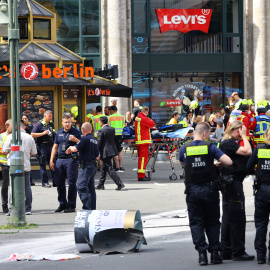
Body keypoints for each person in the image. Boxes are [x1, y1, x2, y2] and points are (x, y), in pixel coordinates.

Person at [179, 122, 232, 266]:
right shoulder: (210, 147)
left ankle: (202, 255)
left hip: (192, 191)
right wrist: (213, 164)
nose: (209, 136)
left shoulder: (184, 148)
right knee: (213, 222)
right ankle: (215, 254)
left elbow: (183, 164)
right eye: (209, 133)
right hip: (210, 190)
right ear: (204, 133)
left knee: (196, 223)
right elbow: (228, 161)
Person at [219, 120, 254, 261]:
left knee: (228, 217)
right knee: (237, 218)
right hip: (233, 183)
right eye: (238, 131)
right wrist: (245, 136)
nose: (240, 133)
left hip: (230, 182)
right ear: (232, 130)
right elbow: (248, 151)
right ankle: (238, 251)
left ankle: (226, 250)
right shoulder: (228, 143)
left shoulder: (227, 143)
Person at [246, 127, 270, 264]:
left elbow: (248, 167)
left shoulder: (259, 149)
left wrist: (258, 172)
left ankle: (261, 256)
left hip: (262, 190)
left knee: (261, 224)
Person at [50, 113, 82, 213]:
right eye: (65, 122)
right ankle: (62, 204)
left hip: (71, 159)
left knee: (72, 182)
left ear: (71, 122)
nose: (67, 124)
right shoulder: (59, 132)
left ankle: (71, 205)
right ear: (62, 122)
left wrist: (75, 139)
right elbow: (55, 147)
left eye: (69, 122)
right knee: (59, 183)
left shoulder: (76, 132)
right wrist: (51, 160)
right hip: (60, 159)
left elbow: (82, 144)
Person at [3, 120, 37, 215]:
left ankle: (11, 208)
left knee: (12, 187)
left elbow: (5, 150)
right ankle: (28, 208)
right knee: (27, 187)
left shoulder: (11, 136)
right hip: (25, 166)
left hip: (13, 165)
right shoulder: (30, 137)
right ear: (24, 127)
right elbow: (34, 153)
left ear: (16, 127)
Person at [66, 122, 99, 210]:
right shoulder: (94, 140)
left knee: (81, 186)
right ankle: (92, 209)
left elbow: (75, 149)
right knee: (91, 189)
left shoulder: (85, 139)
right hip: (93, 165)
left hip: (86, 166)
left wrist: (70, 148)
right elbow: (97, 156)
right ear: (91, 129)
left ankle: (87, 208)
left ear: (83, 130)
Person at [95, 116, 125, 191]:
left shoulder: (101, 131)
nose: (99, 123)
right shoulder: (112, 129)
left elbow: (99, 142)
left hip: (105, 151)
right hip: (112, 150)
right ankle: (101, 184)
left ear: (101, 123)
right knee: (103, 167)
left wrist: (96, 152)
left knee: (109, 168)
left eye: (99, 121)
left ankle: (119, 183)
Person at [31, 110, 55, 187]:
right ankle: (45, 182)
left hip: (50, 146)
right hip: (42, 147)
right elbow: (32, 134)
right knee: (43, 164)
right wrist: (43, 133)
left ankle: (55, 181)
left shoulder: (51, 124)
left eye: (51, 116)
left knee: (52, 163)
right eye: (49, 116)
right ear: (45, 116)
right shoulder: (39, 124)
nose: (51, 118)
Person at [135, 106, 155, 181]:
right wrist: (149, 119)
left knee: (141, 158)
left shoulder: (138, 117)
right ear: (146, 112)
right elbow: (152, 124)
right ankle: (141, 175)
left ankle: (141, 174)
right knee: (143, 159)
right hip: (143, 141)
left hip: (140, 141)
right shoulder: (143, 118)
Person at [108, 106, 125, 171]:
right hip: (120, 135)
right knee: (119, 151)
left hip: (112, 135)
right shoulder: (122, 117)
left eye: (110, 110)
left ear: (112, 110)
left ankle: (116, 167)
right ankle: (121, 166)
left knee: (114, 152)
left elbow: (108, 126)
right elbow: (124, 126)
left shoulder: (110, 117)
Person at [0, 119, 12, 213]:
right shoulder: (2, 136)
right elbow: (2, 150)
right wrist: (5, 151)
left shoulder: (16, 136)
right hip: (4, 162)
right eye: (12, 125)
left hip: (14, 162)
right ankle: (4, 206)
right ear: (7, 127)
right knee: (5, 185)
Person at [22, 114, 35, 186]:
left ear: (28, 119)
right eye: (23, 118)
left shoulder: (29, 128)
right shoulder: (20, 128)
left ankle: (30, 180)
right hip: (21, 148)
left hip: (27, 148)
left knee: (28, 164)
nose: (24, 120)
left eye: (25, 118)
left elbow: (32, 137)